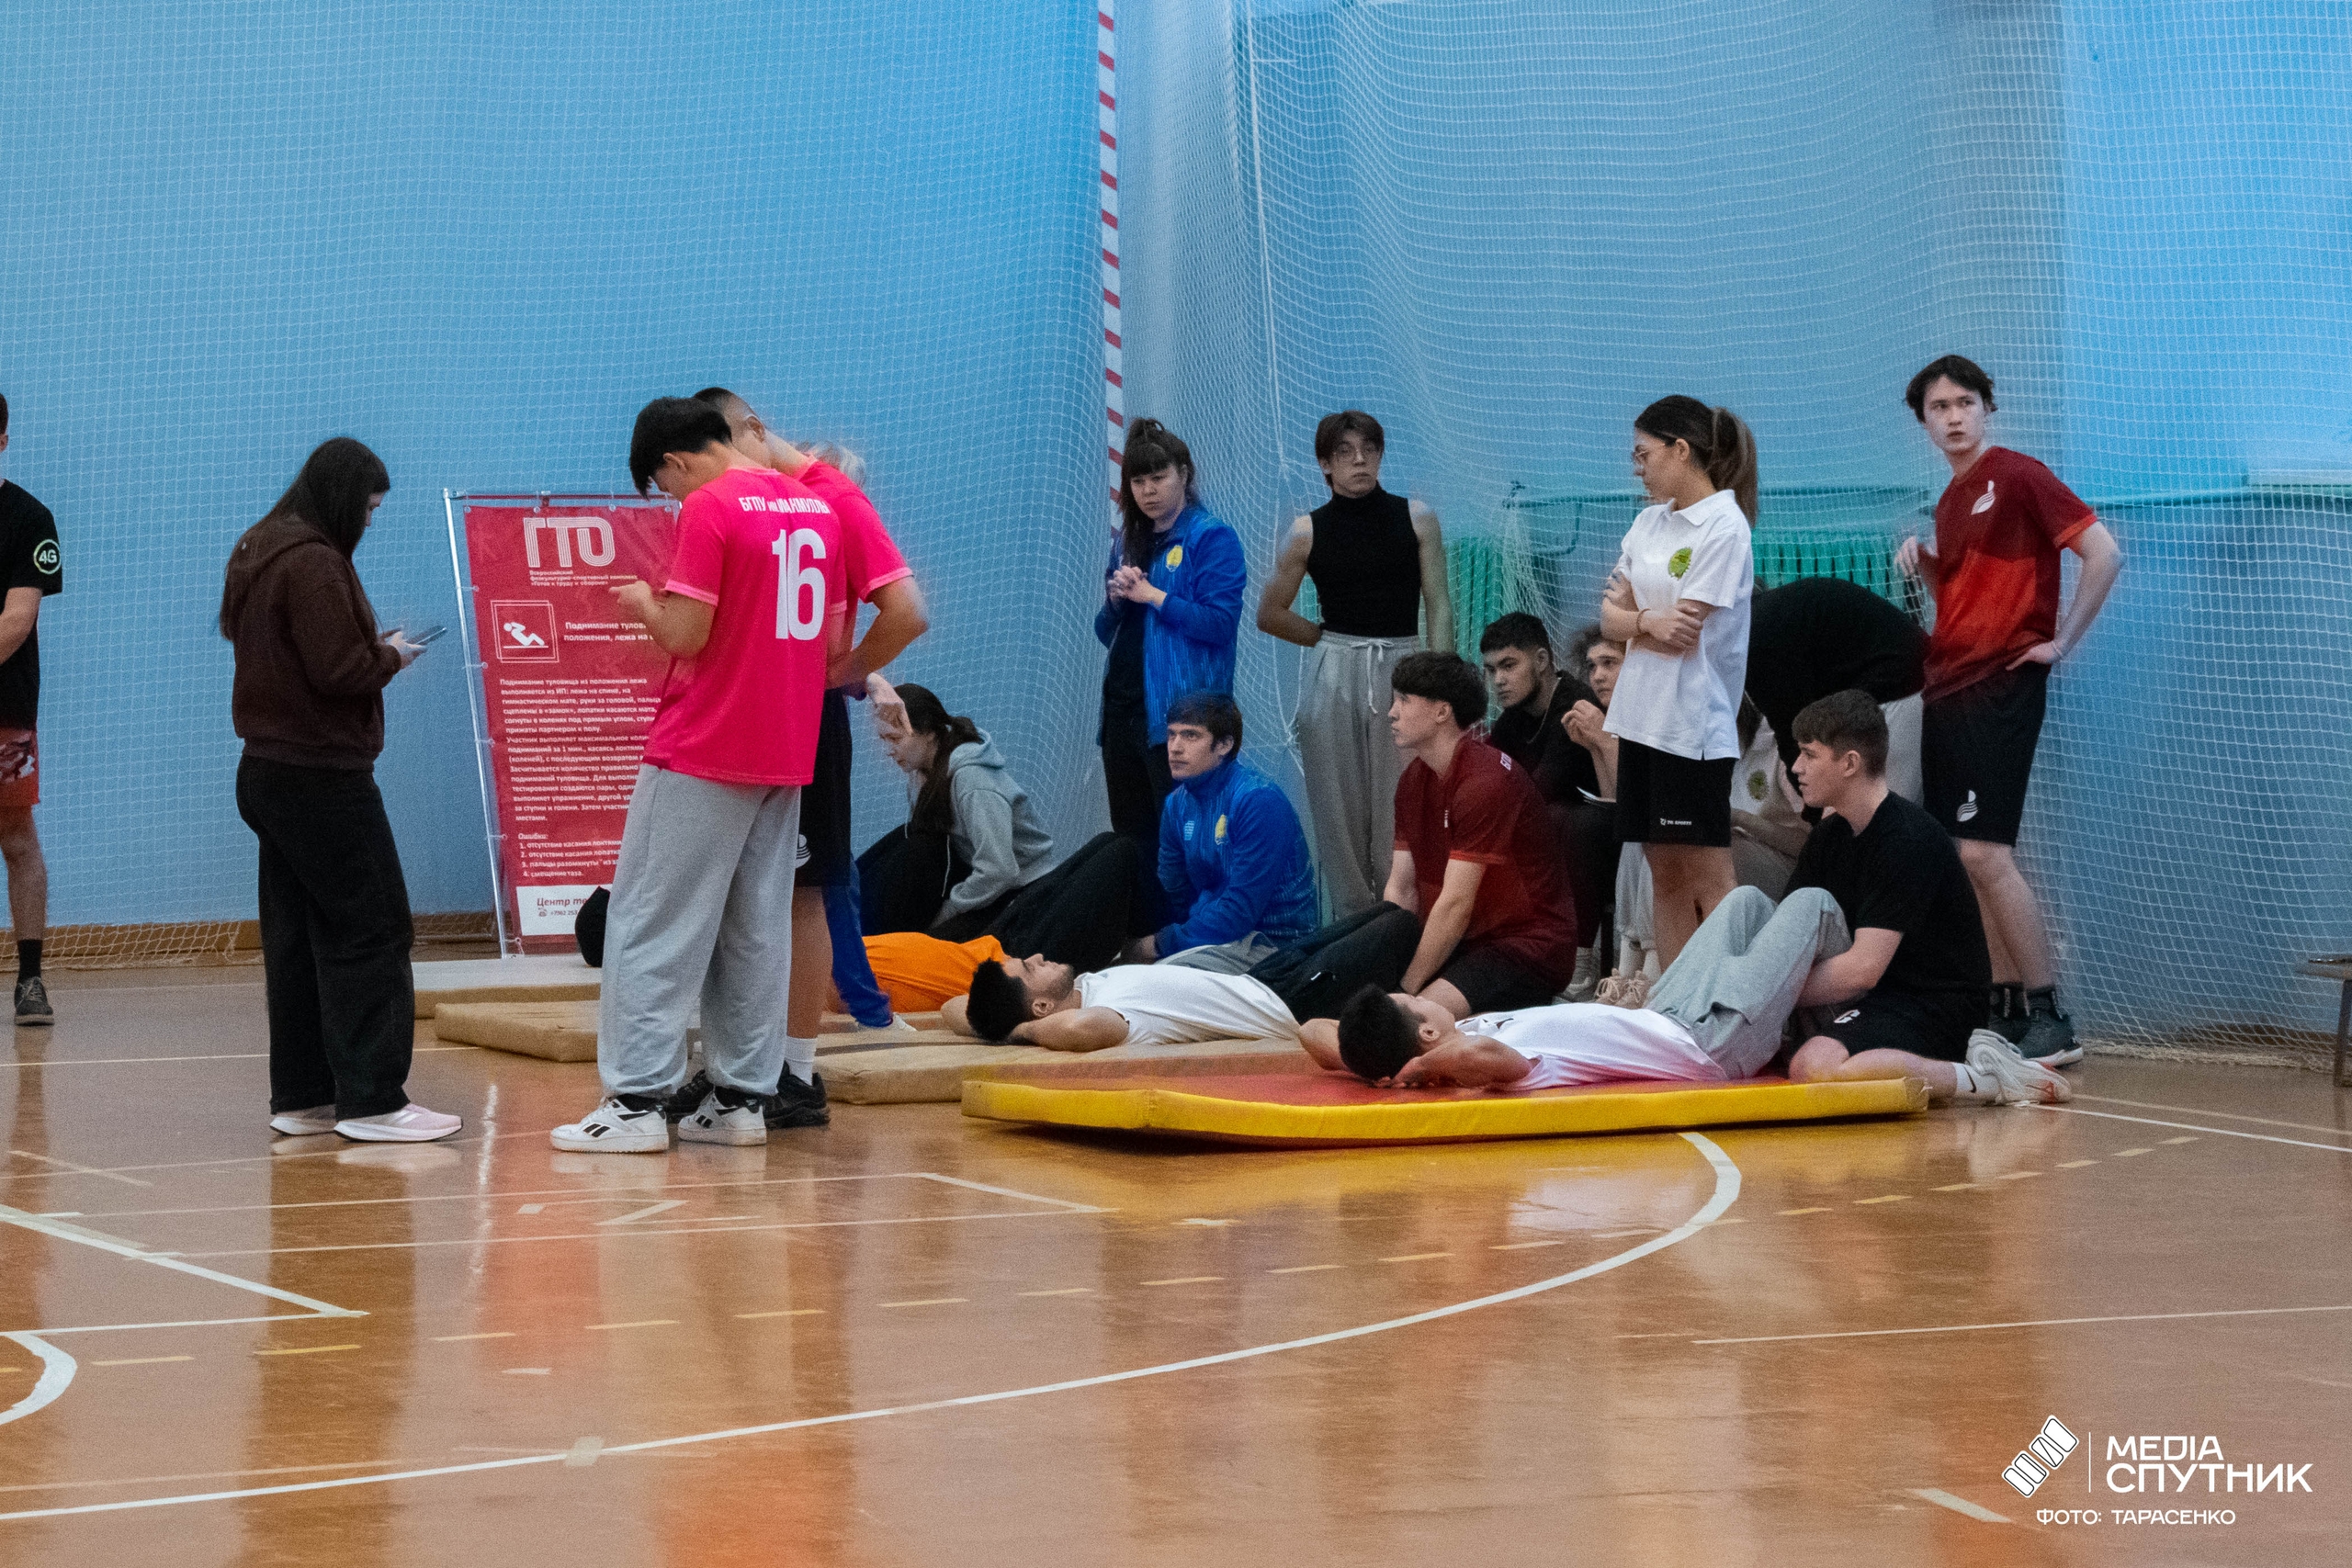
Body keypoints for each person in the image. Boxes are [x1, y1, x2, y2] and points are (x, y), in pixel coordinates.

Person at [551, 398, 842, 1154]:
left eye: (662, 484)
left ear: (677, 461)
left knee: (650, 919)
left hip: (706, 742)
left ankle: (635, 1104)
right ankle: (741, 1101)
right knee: (755, 927)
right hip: (787, 748)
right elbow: (837, 635)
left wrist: (644, 605)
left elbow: (686, 632)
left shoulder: (710, 507)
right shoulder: (816, 507)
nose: (669, 497)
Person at [694, 388, 930, 1124]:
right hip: (753, 714)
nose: (722, 471)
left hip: (804, 715)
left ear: (753, 430)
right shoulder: (759, 500)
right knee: (745, 889)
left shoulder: (832, 499)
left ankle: (796, 1072)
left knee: (807, 888)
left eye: (725, 453)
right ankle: (744, 1064)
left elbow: (907, 611)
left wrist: (848, 672)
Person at [220, 438, 457, 1142]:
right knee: (372, 925)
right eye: (369, 507)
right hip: (321, 777)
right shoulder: (316, 561)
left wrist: (368, 650)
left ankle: (305, 1095)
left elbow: (281, 649)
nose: (370, 521)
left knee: (297, 937)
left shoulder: (259, 546)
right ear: (342, 498)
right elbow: (337, 670)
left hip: (267, 771)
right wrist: (389, 656)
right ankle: (375, 1099)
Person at [1896, 355, 2122, 1063]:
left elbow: (2103, 552)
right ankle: (2006, 1010)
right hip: (1948, 688)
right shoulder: (1950, 501)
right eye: (1940, 407)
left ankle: (2052, 1012)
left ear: (1987, 408)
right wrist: (1929, 566)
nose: (1954, 417)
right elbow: (1960, 600)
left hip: (2000, 684)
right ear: (1924, 422)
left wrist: (2061, 642)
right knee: (1965, 858)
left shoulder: (2020, 475)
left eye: (1965, 402)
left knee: (1986, 853)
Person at [1780, 690, 2068, 1103]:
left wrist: (1769, 991)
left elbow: (1863, 969)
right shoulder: (1829, 836)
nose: (1796, 767)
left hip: (1935, 1005)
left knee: (1814, 1069)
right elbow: (1790, 932)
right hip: (1880, 996)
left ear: (1849, 764)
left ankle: (1986, 1077)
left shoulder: (1906, 839)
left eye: (1809, 754)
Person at [1257, 410, 1454, 918]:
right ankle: (1352, 925)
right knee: (1335, 805)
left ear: (1381, 455)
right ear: (1325, 464)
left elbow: (1438, 602)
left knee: (1402, 798)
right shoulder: (1306, 531)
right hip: (1334, 669)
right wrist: (1327, 640)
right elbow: (1270, 613)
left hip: (1405, 664)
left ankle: (1403, 919)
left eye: (1369, 449)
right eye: (1345, 452)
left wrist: (1442, 683)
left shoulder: (1418, 518)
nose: (1360, 460)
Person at [1597, 396, 1758, 969]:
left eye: (1643, 454)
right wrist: (1645, 620)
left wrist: (1638, 617)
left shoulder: (1724, 526)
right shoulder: (1647, 523)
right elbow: (1609, 619)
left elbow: (1683, 633)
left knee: (1709, 873)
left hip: (1691, 728)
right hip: (1639, 720)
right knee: (1662, 869)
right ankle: (1676, 1003)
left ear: (1680, 450)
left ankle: (1739, 998)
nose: (1636, 468)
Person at [861, 681, 1149, 973]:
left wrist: (947, 912)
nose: (889, 750)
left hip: (1022, 892)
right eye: (884, 740)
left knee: (935, 949)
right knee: (903, 843)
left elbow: (1000, 870)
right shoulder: (924, 773)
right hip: (988, 889)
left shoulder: (973, 781)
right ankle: (856, 931)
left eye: (895, 739)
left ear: (929, 733)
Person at [1384, 651, 1579, 1018]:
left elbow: (1456, 905)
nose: (1392, 713)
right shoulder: (1412, 781)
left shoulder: (1485, 782)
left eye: (1404, 700)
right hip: (1467, 941)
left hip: (1526, 946)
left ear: (1442, 712)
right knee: (1357, 995)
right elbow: (1401, 890)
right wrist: (1384, 963)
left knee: (1406, 1019)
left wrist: (1404, 987)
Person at [953, 900, 1422, 1049]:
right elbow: (1075, 1029)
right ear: (1041, 1007)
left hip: (1264, 975)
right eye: (1030, 969)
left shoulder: (1082, 988)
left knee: (1386, 910)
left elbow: (954, 1008)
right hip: (1289, 1003)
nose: (1037, 956)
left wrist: (1000, 1026)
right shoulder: (1108, 1019)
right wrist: (1020, 1032)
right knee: (1400, 926)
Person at [1094, 420, 1245, 862]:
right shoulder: (1128, 541)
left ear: (1184, 474)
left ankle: (1200, 911)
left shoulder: (1211, 536)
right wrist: (1116, 602)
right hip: (1122, 711)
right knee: (1132, 842)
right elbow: (1105, 632)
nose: (1148, 491)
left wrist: (1155, 596)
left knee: (1187, 845)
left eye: (1158, 478)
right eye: (1138, 481)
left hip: (1180, 718)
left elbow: (1220, 623)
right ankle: (1143, 911)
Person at [1124, 691, 1316, 964]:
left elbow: (1239, 912)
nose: (1175, 747)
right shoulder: (1176, 805)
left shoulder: (1258, 800)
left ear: (1224, 745)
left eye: (1191, 736)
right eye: (1171, 735)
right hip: (1215, 939)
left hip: (1275, 946)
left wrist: (1159, 944)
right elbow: (1172, 896)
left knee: (1154, 977)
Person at [1479, 613, 1613, 980]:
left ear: (1541, 660)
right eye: (1491, 670)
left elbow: (1540, 790)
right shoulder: (1512, 718)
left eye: (1508, 665)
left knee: (1561, 818)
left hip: (1605, 837)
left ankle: (1579, 959)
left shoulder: (1576, 704)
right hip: (1554, 840)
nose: (1499, 680)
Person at [1746, 576, 1927, 802]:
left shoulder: (1755, 637)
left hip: (1899, 686)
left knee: (1877, 814)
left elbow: (1794, 730)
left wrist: (1813, 807)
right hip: (1907, 677)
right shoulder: (1769, 615)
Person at [0, 393, 62, 1025]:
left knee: (16, 837)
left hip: (6, 710)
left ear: (2, 441)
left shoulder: (29, 518)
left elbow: (16, 621)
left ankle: (30, 980)